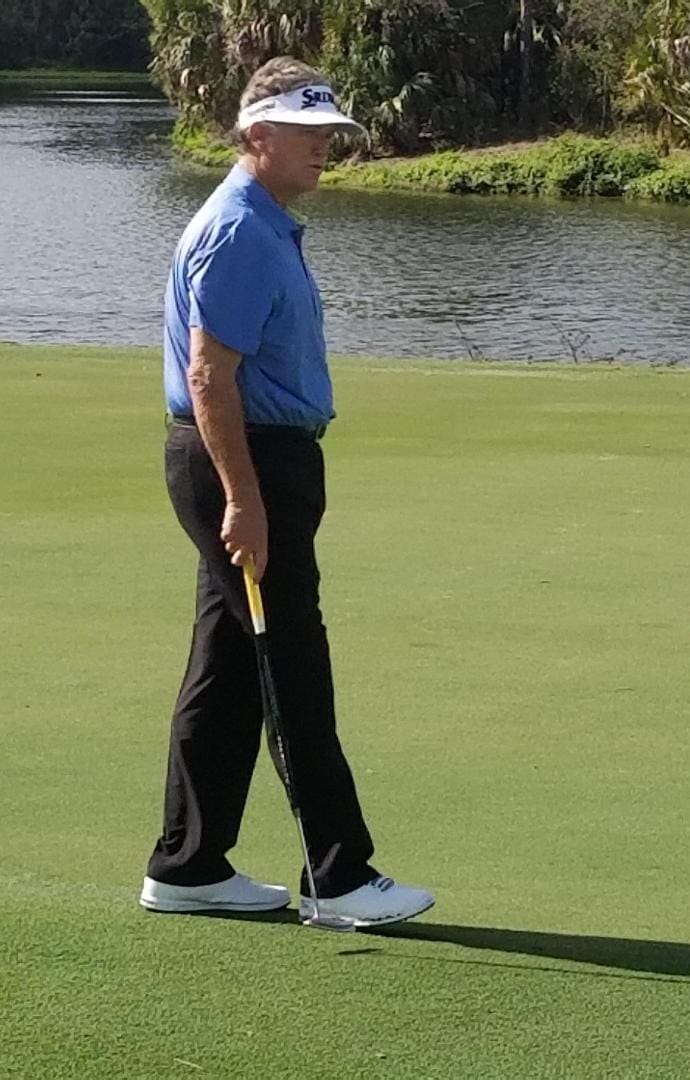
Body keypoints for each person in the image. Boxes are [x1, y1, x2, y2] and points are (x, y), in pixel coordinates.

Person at [139, 57, 434, 928]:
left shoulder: (264, 223)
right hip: (245, 461)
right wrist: (244, 497)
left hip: (258, 459)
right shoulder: (238, 230)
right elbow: (209, 376)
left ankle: (189, 866)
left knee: (227, 669)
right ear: (258, 136)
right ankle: (340, 878)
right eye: (309, 136)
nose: (326, 151)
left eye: (331, 135)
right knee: (291, 660)